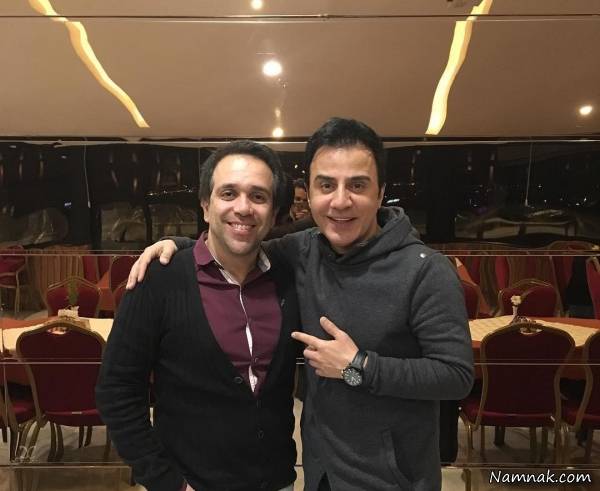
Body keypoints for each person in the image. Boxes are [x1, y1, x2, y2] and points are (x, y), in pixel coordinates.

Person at [128, 118, 474, 491]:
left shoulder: (425, 270)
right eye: (326, 185)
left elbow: (456, 375)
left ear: (381, 193)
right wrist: (179, 247)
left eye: (357, 185)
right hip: (319, 474)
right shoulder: (302, 251)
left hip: (394, 481)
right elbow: (237, 242)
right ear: (308, 195)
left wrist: (358, 367)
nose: (340, 201)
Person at [96, 140, 300, 491]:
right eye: (228, 193)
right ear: (206, 205)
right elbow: (117, 390)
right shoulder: (159, 279)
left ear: (273, 212)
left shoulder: (288, 276)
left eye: (258, 196)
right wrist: (166, 481)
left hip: (276, 481)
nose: (243, 207)